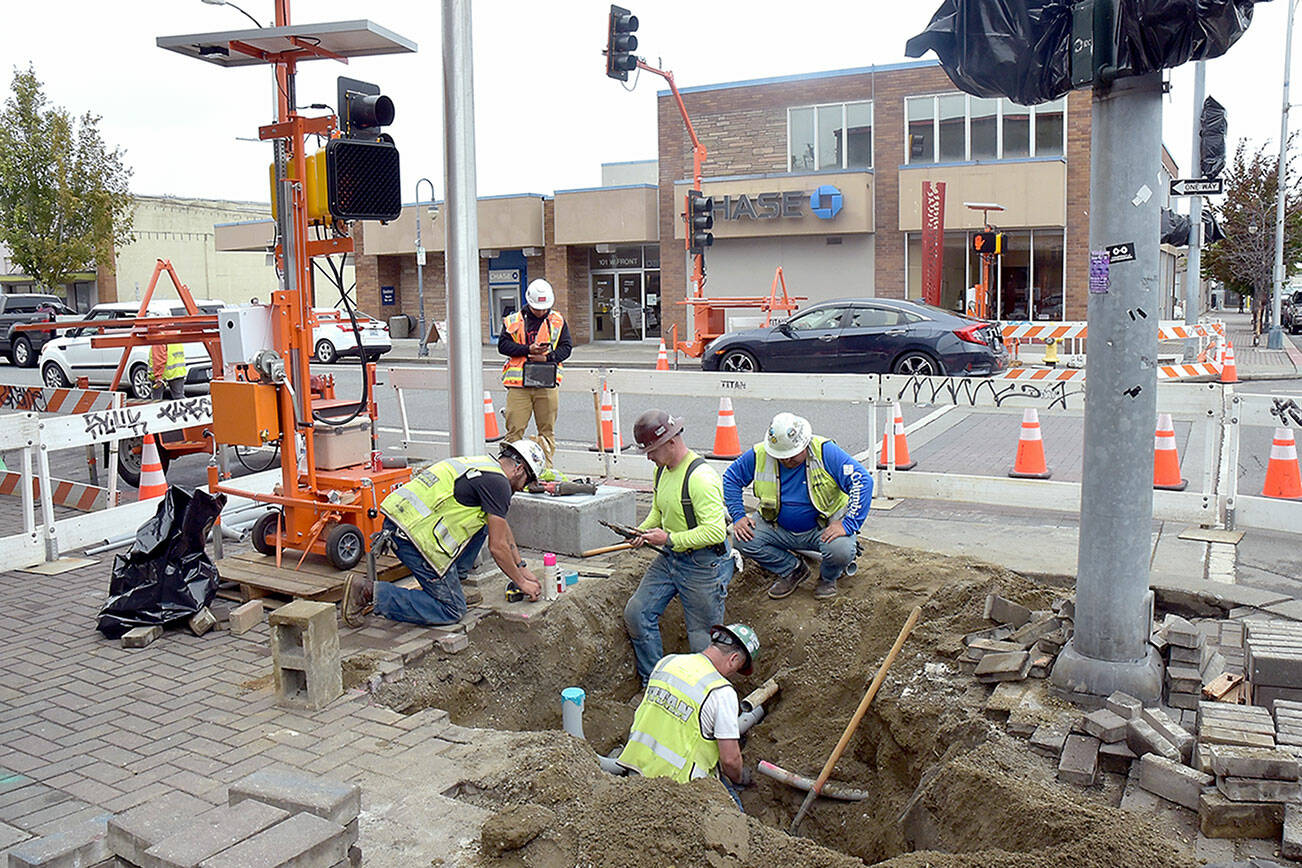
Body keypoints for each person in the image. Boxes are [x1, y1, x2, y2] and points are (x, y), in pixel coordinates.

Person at [342, 439, 547, 627]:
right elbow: (497, 547)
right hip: (414, 538)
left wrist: (521, 568)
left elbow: (501, 528)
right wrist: (521, 583)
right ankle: (368, 592)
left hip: (404, 526)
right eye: (527, 482)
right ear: (520, 469)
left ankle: (450, 584)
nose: (523, 488)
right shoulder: (500, 484)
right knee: (453, 610)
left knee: (488, 524)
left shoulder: (485, 466)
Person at [623, 409, 735, 686]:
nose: (649, 456)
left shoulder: (701, 478)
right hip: (671, 557)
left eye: (652, 449)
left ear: (671, 442)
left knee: (702, 642)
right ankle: (656, 683)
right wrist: (644, 531)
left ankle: (701, 697)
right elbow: (658, 513)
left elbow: (715, 531)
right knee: (637, 613)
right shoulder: (662, 472)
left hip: (703, 565)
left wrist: (669, 539)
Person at [723, 412, 872, 601]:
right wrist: (738, 516)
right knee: (743, 539)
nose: (786, 461)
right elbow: (731, 478)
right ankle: (792, 569)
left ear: (804, 444)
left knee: (841, 550)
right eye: (781, 456)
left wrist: (848, 524)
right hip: (776, 526)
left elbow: (862, 482)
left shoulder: (824, 452)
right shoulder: (761, 453)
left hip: (822, 529)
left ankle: (828, 578)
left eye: (792, 456)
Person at [617, 623, 760, 810]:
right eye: (736, 669)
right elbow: (730, 760)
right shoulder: (721, 692)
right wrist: (741, 776)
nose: (732, 675)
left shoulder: (668, 662)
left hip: (635, 768)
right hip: (679, 790)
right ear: (733, 659)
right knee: (736, 813)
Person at [498, 278, 572, 468]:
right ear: (529, 303)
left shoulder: (557, 321)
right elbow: (503, 346)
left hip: (546, 383)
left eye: (544, 308)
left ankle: (546, 470)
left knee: (546, 431)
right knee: (514, 429)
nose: (541, 311)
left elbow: (567, 348)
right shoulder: (513, 320)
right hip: (519, 387)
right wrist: (528, 350)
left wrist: (548, 357)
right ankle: (509, 471)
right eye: (537, 308)